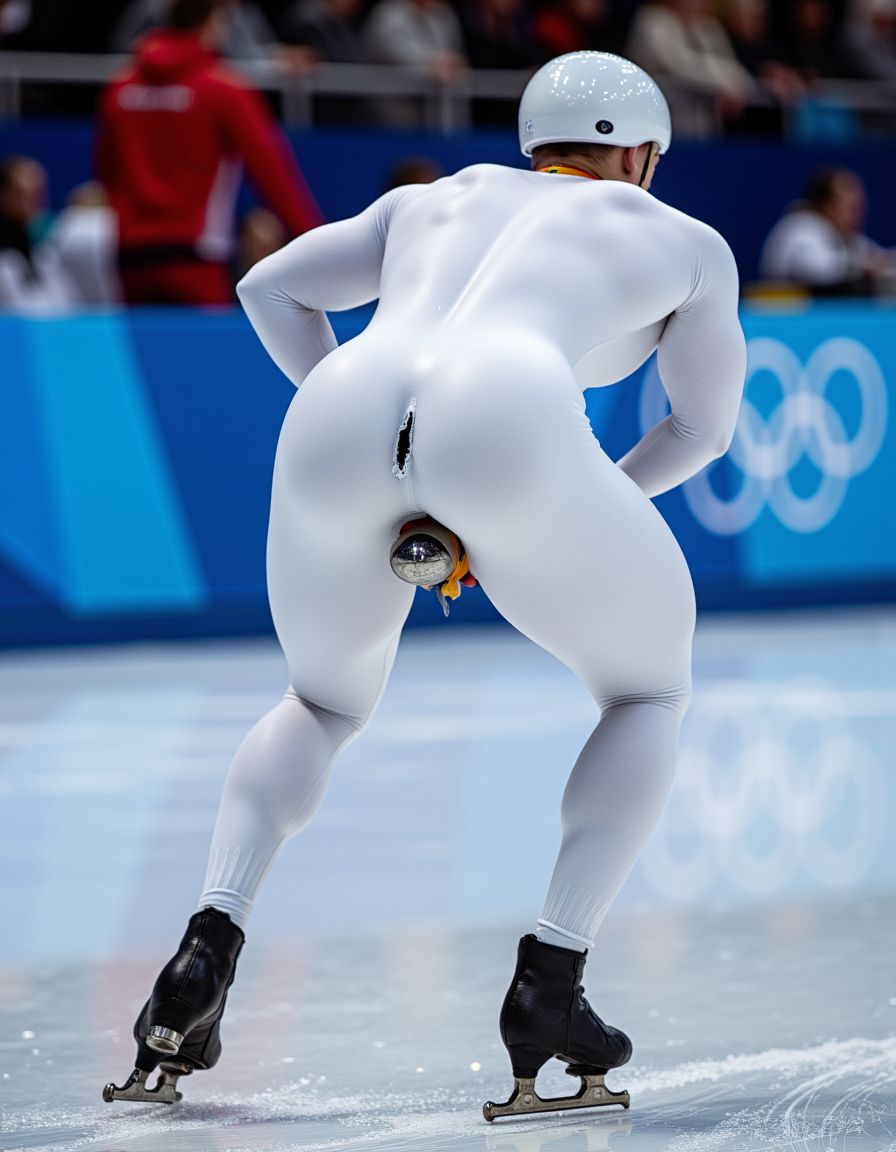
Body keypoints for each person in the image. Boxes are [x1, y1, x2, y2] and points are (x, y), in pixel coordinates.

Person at [103, 51, 746, 1120]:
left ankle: (197, 965)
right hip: (510, 421)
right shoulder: (681, 240)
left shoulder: (433, 199)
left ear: (535, 145)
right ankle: (552, 989)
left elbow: (267, 285)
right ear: (639, 154)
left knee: (318, 701)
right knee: (645, 690)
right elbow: (700, 427)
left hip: (341, 402)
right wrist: (559, 515)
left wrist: (375, 440)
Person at [96, 0, 322, 305]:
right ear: (215, 22)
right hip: (195, 257)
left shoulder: (120, 88)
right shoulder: (223, 89)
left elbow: (106, 170)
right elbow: (274, 175)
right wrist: (316, 244)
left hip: (130, 255)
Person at [758, 167, 896, 295]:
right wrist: (864, 265)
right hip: (785, 318)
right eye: (852, 207)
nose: (861, 212)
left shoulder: (848, 237)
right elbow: (813, 268)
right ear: (827, 204)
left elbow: (879, 259)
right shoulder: (799, 227)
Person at [0, 154, 79, 312]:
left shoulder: (46, 252)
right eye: (21, 195)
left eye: (36, 195)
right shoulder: (5, 262)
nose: (31, 205)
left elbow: (69, 308)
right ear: (3, 196)